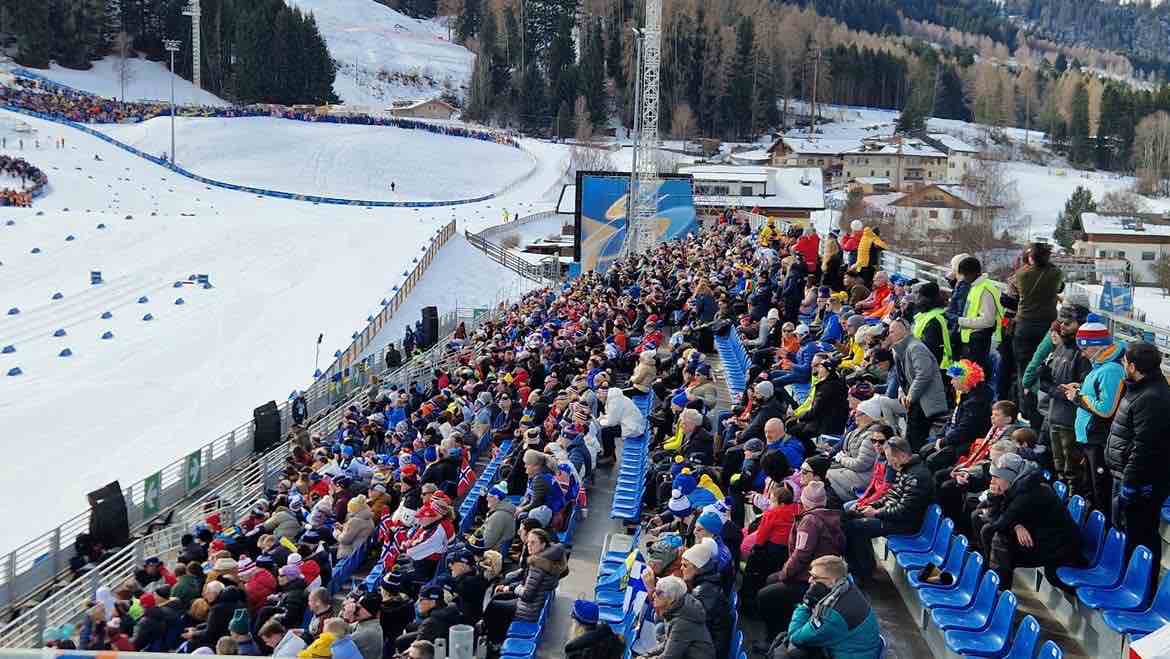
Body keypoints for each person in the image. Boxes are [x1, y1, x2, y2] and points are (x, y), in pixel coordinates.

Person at [972, 453, 1082, 590]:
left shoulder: (1028, 493)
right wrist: (1017, 525)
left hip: (1059, 546)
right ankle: (992, 579)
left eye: (996, 477)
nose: (992, 482)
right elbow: (1008, 517)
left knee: (1000, 539)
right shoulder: (1022, 485)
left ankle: (997, 589)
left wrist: (994, 497)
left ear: (1008, 478)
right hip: (1044, 536)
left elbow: (1000, 524)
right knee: (983, 522)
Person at [1107, 341, 1170, 567]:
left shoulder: (1152, 397)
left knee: (1139, 537)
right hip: (1124, 476)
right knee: (1126, 533)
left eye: (1124, 362)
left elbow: (1145, 447)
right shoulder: (1141, 390)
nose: (1123, 366)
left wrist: (1130, 484)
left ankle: (1143, 590)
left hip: (1139, 485)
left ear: (1132, 366)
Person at [756, 481, 844, 642]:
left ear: (805, 501)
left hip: (814, 580)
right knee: (770, 580)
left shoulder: (810, 521)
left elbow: (801, 555)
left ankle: (775, 637)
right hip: (819, 573)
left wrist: (784, 574)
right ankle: (783, 628)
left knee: (765, 596)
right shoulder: (830, 514)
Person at [843, 436, 934, 583]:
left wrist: (877, 513)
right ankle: (862, 567)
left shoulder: (917, 476)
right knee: (849, 516)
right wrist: (873, 505)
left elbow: (904, 511)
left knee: (854, 527)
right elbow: (890, 495)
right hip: (895, 517)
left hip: (906, 524)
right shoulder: (906, 469)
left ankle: (862, 573)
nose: (890, 463)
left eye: (891, 459)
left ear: (903, 455)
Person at [1066, 315, 1126, 520]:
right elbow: (1095, 396)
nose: (1082, 355)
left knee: (1101, 493)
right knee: (1090, 489)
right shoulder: (1099, 368)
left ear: (1098, 346)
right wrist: (1080, 390)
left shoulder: (1112, 370)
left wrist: (1078, 397)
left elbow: (1106, 409)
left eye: (1084, 349)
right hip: (1089, 439)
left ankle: (1105, 533)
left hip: (1098, 440)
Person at [774, 555, 881, 659]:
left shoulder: (832, 614)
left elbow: (796, 637)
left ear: (833, 581)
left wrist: (805, 605)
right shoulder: (848, 587)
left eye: (815, 577)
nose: (810, 580)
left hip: (850, 654)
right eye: (810, 575)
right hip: (861, 649)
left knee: (793, 652)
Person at [1038, 300, 1092, 490]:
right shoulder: (1061, 347)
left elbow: (1081, 391)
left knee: (1073, 473)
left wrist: (1051, 388)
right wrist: (1043, 376)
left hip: (1071, 422)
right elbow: (1050, 381)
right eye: (1061, 322)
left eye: (1068, 323)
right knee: (1059, 469)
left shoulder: (1083, 354)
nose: (1062, 326)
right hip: (1054, 417)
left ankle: (1074, 510)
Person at [482, 529, 567, 644]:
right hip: (534, 604)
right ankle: (491, 635)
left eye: (533, 542)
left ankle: (493, 640)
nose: (529, 546)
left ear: (543, 544)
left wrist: (512, 588)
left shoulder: (538, 564)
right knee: (498, 599)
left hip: (528, 610)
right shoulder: (550, 559)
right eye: (528, 542)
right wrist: (510, 588)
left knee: (494, 606)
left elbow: (527, 595)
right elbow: (529, 584)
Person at [1010, 242, 1064, 420]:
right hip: (1047, 326)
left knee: (1024, 369)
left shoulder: (1022, 274)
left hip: (1024, 325)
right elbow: (1060, 287)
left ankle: (1025, 411)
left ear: (1031, 258)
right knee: (1046, 366)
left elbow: (1012, 289)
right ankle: (1043, 409)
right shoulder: (1055, 273)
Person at [919, 359, 993, 473]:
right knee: (924, 450)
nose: (951, 382)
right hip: (954, 438)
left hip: (965, 443)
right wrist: (940, 437)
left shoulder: (976, 402)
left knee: (931, 459)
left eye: (954, 378)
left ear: (964, 380)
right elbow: (952, 420)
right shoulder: (966, 395)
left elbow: (965, 430)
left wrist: (943, 441)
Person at [886, 318, 947, 452]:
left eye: (892, 331)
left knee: (915, 441)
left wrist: (910, 396)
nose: (890, 335)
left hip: (925, 402)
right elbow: (902, 378)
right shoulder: (898, 350)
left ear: (905, 331)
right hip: (915, 402)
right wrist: (902, 393)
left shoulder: (916, 347)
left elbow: (924, 374)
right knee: (912, 440)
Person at [638, 576, 714, 659]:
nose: (653, 595)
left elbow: (669, 657)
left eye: (658, 593)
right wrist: (646, 655)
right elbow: (666, 644)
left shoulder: (682, 622)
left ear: (671, 599)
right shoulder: (676, 610)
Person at [680, 539, 731, 659]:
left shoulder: (703, 593)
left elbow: (688, 628)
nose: (681, 568)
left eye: (685, 565)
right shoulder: (709, 581)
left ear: (698, 567)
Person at [954, 256, 1003, 373]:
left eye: (965, 275)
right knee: (965, 376)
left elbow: (988, 320)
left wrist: (960, 321)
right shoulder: (975, 287)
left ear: (973, 273)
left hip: (979, 340)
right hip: (971, 339)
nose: (964, 279)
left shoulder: (986, 289)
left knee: (973, 377)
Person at [346, 592, 383, 659]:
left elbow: (338, 644)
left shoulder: (368, 631)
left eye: (359, 608)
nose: (355, 610)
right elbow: (346, 628)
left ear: (370, 612)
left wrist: (346, 617)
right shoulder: (366, 622)